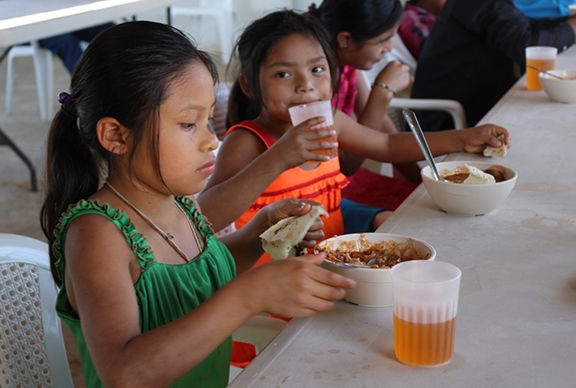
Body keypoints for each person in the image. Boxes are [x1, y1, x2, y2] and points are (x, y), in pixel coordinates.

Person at [39, 21, 355, 387]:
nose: (211, 140)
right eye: (189, 124)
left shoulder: (178, 205)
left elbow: (196, 280)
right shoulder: (97, 234)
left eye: (208, 120)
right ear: (115, 135)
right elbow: (124, 372)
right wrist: (249, 296)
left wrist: (261, 232)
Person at [197, 10, 511, 266]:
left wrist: (463, 138)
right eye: (283, 74)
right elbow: (206, 216)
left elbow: (387, 145)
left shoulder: (331, 121)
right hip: (274, 291)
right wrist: (277, 157)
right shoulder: (247, 141)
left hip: (333, 267)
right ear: (250, 86)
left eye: (317, 69)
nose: (306, 85)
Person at [308, 0, 415, 234]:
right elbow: (347, 165)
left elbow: (383, 130)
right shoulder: (316, 78)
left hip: (345, 183)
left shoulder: (346, 63)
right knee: (410, 222)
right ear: (345, 39)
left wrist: (421, 180)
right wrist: (383, 91)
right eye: (383, 40)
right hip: (325, 191)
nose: (389, 48)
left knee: (421, 204)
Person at [411, 0, 576, 131]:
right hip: (450, 122)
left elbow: (525, 30)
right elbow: (527, 47)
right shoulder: (483, 3)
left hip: (479, 105)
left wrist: (568, 24)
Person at [39, 23, 114, 73]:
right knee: (67, 43)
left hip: (66, 18)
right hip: (38, 25)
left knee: (110, 30)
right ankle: (89, 89)